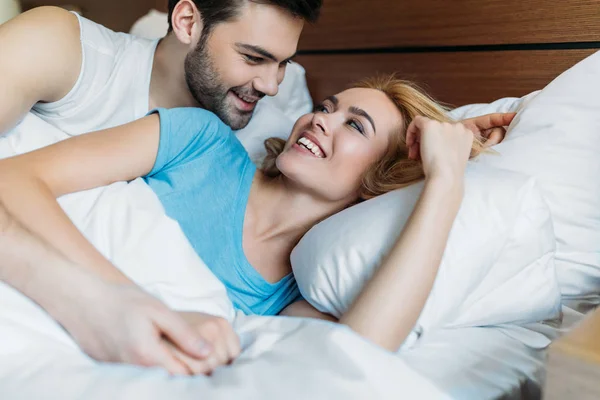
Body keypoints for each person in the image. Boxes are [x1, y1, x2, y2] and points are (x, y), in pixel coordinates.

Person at [0, 74, 515, 376]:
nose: (320, 120)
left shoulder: (302, 290)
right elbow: (14, 180)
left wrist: (445, 181)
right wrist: (120, 298)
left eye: (354, 126)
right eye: (326, 107)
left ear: (380, 178)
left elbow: (354, 360)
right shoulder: (200, 143)